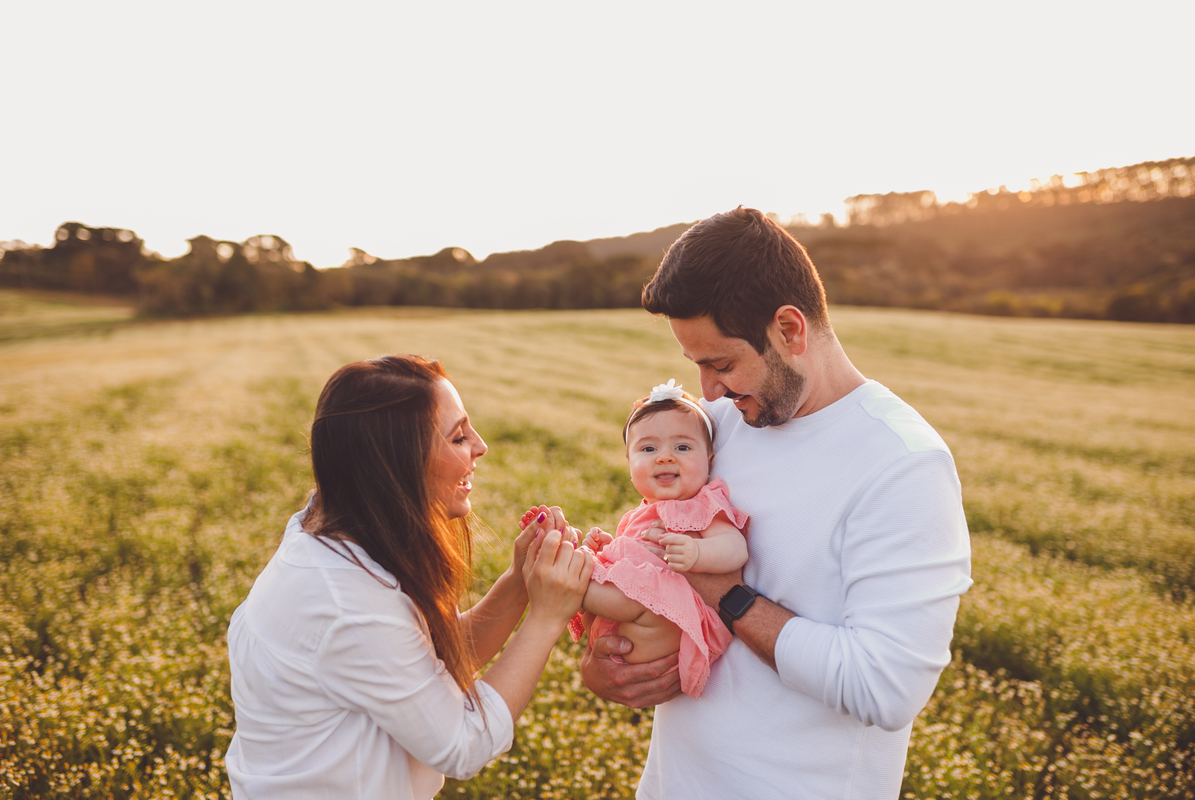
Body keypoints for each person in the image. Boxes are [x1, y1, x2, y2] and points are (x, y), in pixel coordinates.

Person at [580, 207, 973, 799]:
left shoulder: (904, 464)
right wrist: (607, 662)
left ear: (790, 330)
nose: (709, 391)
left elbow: (884, 689)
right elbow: (651, 569)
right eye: (698, 367)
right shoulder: (717, 426)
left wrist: (726, 592)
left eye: (722, 364)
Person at [225, 355, 592, 800]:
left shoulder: (327, 536)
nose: (480, 446)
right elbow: (464, 742)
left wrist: (519, 582)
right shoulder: (349, 603)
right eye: (458, 436)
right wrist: (546, 618)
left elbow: (431, 658)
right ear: (396, 463)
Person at [532, 379, 749, 698]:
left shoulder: (703, 504)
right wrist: (605, 551)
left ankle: (572, 579)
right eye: (648, 449)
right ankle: (581, 567)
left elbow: (735, 548)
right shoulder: (638, 515)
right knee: (626, 593)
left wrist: (697, 551)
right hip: (625, 632)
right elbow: (635, 565)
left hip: (671, 623)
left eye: (683, 447)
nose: (665, 457)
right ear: (629, 463)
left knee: (636, 598)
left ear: (710, 459)